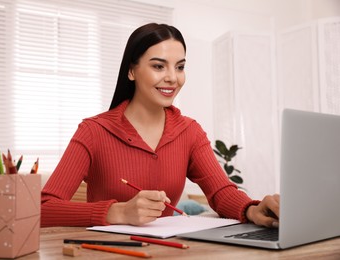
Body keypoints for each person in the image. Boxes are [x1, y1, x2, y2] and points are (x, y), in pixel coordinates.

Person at [41, 23, 279, 228]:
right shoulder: (94, 131)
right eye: (158, 66)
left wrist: (252, 209)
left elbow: (221, 192)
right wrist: (119, 212)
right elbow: (44, 208)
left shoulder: (190, 131)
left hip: (172, 250)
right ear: (132, 71)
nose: (173, 78)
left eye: (180, 66)